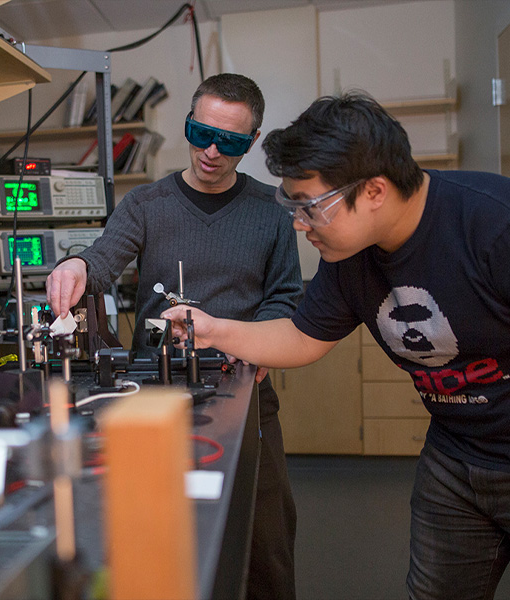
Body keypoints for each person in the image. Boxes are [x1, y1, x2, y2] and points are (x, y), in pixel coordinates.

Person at [162, 90, 510, 600]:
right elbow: (303, 336)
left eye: (309, 207)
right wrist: (210, 329)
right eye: (292, 206)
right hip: (455, 457)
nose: (299, 225)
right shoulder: (350, 255)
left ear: (373, 190)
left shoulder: (493, 226)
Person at [46, 73, 302, 600]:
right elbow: (102, 260)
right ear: (187, 122)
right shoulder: (147, 204)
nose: (210, 151)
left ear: (251, 142)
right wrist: (75, 265)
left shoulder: (272, 211)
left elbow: (284, 296)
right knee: (152, 535)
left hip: (246, 395)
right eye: (200, 132)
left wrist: (256, 341)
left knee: (265, 545)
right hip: (153, 397)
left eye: (229, 142)